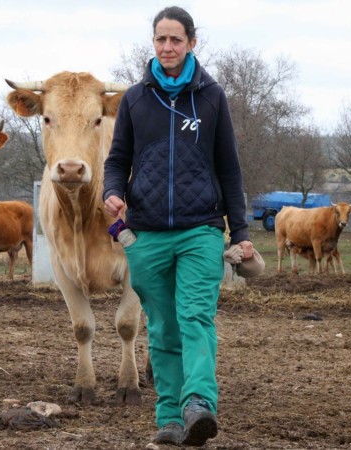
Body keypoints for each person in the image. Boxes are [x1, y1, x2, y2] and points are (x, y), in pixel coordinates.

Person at [103, 6, 254, 447]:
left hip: (200, 230)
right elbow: (117, 160)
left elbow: (229, 169)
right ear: (153, 43)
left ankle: (199, 403)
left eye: (175, 39)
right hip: (147, 234)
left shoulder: (211, 97)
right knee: (163, 328)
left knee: (195, 317)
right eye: (160, 39)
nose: (167, 47)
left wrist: (241, 233)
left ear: (191, 42)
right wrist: (112, 190)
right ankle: (170, 417)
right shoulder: (135, 99)